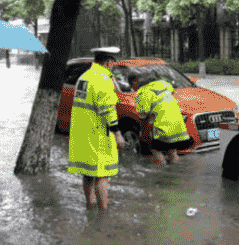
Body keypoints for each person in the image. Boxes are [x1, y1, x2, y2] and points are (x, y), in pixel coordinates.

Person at [67, 47, 125, 216]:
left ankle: (90, 205)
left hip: (82, 134)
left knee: (87, 172)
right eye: (113, 64)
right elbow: (108, 109)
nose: (113, 67)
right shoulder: (102, 79)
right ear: (108, 62)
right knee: (102, 174)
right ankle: (103, 213)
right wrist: (118, 133)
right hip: (97, 134)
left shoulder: (84, 77)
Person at [130, 71, 194, 168]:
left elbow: (143, 117)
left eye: (131, 85)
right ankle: (177, 173)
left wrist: (144, 135)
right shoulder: (164, 84)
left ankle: (163, 174)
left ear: (135, 82)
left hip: (163, 127)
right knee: (171, 151)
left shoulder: (142, 93)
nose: (132, 89)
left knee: (154, 149)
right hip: (178, 126)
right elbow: (171, 92)